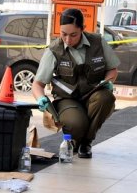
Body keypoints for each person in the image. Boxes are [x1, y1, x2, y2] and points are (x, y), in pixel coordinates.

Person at [32, 8, 120, 159]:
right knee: (76, 124)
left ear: (83, 29)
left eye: (73, 35)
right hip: (67, 100)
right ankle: (74, 138)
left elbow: (112, 69)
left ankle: (86, 142)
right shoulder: (54, 50)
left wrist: (109, 82)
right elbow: (37, 84)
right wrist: (40, 98)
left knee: (106, 98)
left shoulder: (97, 42)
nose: (67, 39)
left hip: (93, 94)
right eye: (63, 34)